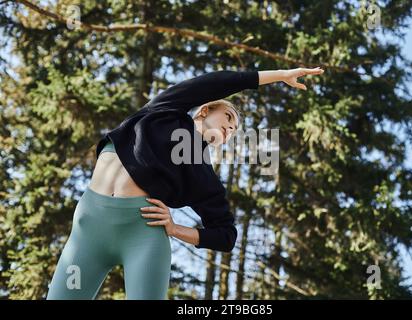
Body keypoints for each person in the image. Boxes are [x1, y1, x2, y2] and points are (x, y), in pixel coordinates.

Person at [46, 66, 324, 300]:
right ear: (204, 110)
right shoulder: (165, 110)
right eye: (227, 117)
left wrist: (176, 229)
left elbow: (226, 235)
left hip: (142, 237)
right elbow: (219, 82)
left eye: (234, 130)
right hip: (88, 230)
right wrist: (281, 75)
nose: (230, 128)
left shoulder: (202, 175)